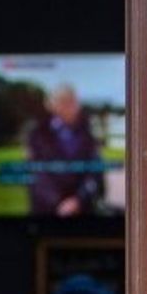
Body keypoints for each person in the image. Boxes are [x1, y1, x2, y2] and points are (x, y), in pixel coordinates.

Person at [24, 82, 106, 216]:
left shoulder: (89, 134)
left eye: (72, 101)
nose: (69, 106)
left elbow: (95, 172)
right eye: (63, 101)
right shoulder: (37, 134)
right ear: (51, 105)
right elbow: (35, 173)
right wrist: (58, 202)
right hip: (48, 211)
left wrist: (78, 200)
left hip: (83, 210)